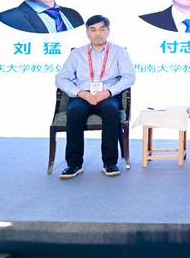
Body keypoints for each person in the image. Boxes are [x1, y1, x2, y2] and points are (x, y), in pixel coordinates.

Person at [54, 15, 135, 178]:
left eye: (102, 29)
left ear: (108, 31)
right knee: (74, 111)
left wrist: (108, 92)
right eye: (93, 30)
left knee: (111, 111)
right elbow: (60, 79)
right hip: (82, 95)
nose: (98, 33)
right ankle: (74, 164)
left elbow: (129, 77)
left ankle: (110, 163)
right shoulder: (77, 54)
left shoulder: (119, 52)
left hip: (107, 95)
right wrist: (80, 93)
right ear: (87, 32)